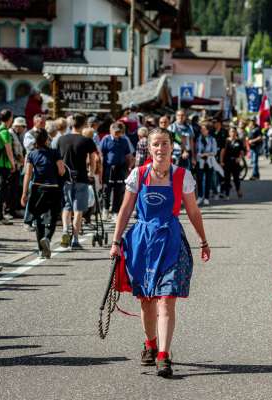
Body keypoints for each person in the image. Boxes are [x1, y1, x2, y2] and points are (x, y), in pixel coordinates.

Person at [110, 127, 211, 378]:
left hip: (170, 240)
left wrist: (203, 240)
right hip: (142, 242)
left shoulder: (182, 176)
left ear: (171, 146)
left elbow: (193, 211)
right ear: (149, 147)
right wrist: (115, 241)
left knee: (166, 299)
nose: (160, 148)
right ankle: (151, 343)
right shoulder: (139, 174)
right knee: (147, 301)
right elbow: (125, 209)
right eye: (156, 144)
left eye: (165, 143)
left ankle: (164, 356)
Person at [21, 128, 65, 258]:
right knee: (52, 217)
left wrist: (24, 193)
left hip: (37, 188)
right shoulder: (54, 153)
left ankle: (40, 250)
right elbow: (61, 170)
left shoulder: (31, 154)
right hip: (53, 187)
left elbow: (28, 174)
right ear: (47, 140)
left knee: (38, 218)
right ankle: (47, 238)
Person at [57, 113, 99, 249]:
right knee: (78, 209)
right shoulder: (87, 140)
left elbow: (56, 159)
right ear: (84, 124)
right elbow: (93, 158)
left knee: (67, 206)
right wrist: (91, 173)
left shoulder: (61, 139)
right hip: (81, 177)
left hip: (65, 178)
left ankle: (64, 230)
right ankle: (75, 239)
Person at [100, 122, 134, 220]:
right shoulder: (106, 140)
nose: (117, 134)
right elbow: (101, 154)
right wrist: (101, 170)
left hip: (121, 168)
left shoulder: (124, 141)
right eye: (115, 132)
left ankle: (115, 211)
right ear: (111, 131)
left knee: (118, 191)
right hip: (109, 168)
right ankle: (105, 210)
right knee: (107, 190)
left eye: (119, 132)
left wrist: (130, 166)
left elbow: (128, 155)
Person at [0, 109, 16, 225]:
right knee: (1, 190)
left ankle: (0, 215)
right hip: (2, 164)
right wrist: (13, 163)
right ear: (10, 118)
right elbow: (8, 149)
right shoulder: (5, 131)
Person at [195, 122, 218, 206]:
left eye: (204, 129)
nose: (202, 130)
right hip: (200, 161)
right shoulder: (198, 139)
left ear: (208, 130)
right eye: (202, 129)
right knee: (199, 179)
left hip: (209, 161)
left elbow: (215, 152)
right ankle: (200, 196)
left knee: (209, 180)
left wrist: (206, 154)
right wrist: (200, 155)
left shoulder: (212, 139)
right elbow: (196, 150)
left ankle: (207, 198)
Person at [220, 126, 245, 199]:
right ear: (229, 133)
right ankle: (227, 194)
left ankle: (238, 190)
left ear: (236, 133)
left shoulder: (239, 141)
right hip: (227, 161)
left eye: (234, 131)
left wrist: (239, 158)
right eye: (231, 132)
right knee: (227, 178)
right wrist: (221, 161)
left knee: (236, 178)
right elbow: (222, 151)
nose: (233, 133)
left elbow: (242, 151)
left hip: (235, 162)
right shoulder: (226, 141)